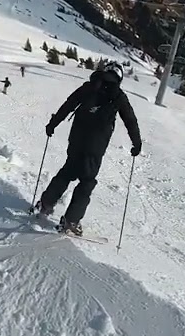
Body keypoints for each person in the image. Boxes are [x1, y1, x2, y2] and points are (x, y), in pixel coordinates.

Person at [30, 61, 142, 237]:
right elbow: (130, 120)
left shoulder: (89, 87)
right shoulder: (118, 96)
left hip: (76, 139)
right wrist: (137, 143)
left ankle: (45, 204)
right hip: (95, 146)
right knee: (87, 181)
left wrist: (53, 124)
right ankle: (71, 220)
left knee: (67, 171)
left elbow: (69, 105)